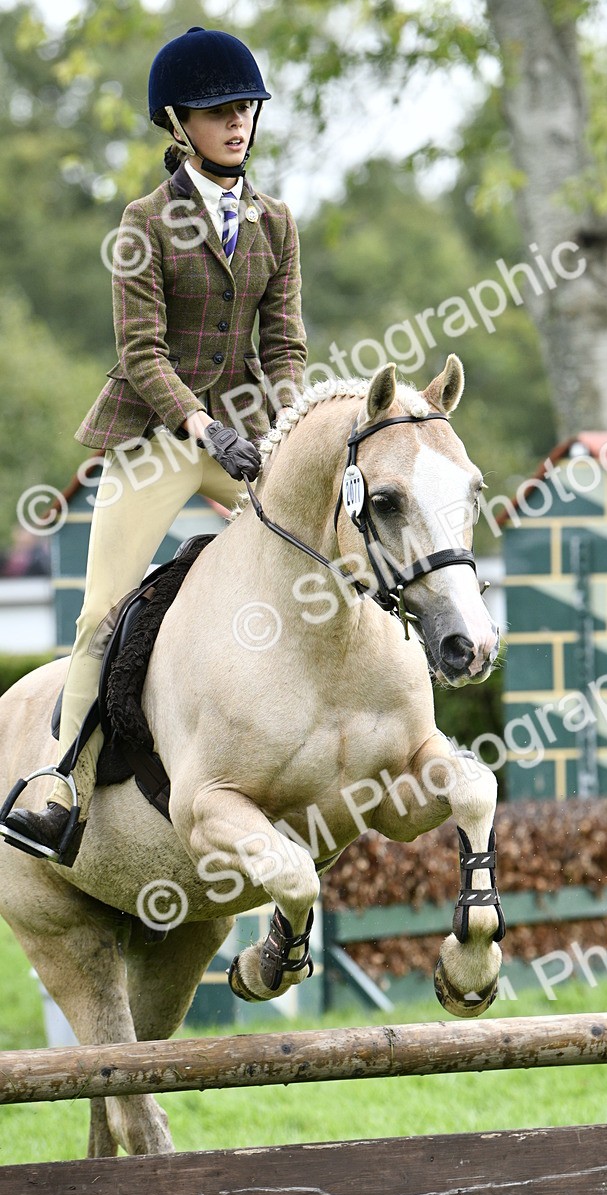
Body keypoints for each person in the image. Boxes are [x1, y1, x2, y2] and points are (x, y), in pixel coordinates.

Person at [1, 26, 307, 861]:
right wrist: (205, 427)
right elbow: (142, 354)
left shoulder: (278, 222)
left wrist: (286, 430)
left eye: (244, 108)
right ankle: (60, 783)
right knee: (102, 608)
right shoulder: (143, 223)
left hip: (245, 429)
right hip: (157, 435)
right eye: (218, 112)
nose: (237, 123)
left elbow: (284, 346)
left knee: (330, 543)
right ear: (179, 123)